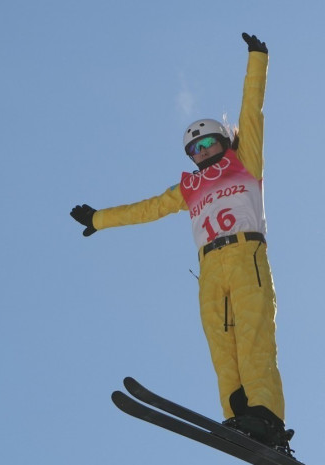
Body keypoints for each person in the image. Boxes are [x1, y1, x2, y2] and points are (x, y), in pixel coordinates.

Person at [70, 32, 293, 454]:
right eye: (195, 148)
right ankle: (239, 417)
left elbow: (253, 112)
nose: (203, 152)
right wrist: (99, 219)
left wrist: (258, 60)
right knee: (221, 344)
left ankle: (266, 418)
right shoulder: (190, 187)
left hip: (246, 254)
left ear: (224, 142)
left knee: (253, 337)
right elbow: (148, 209)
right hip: (209, 267)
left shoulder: (244, 161)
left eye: (209, 143)